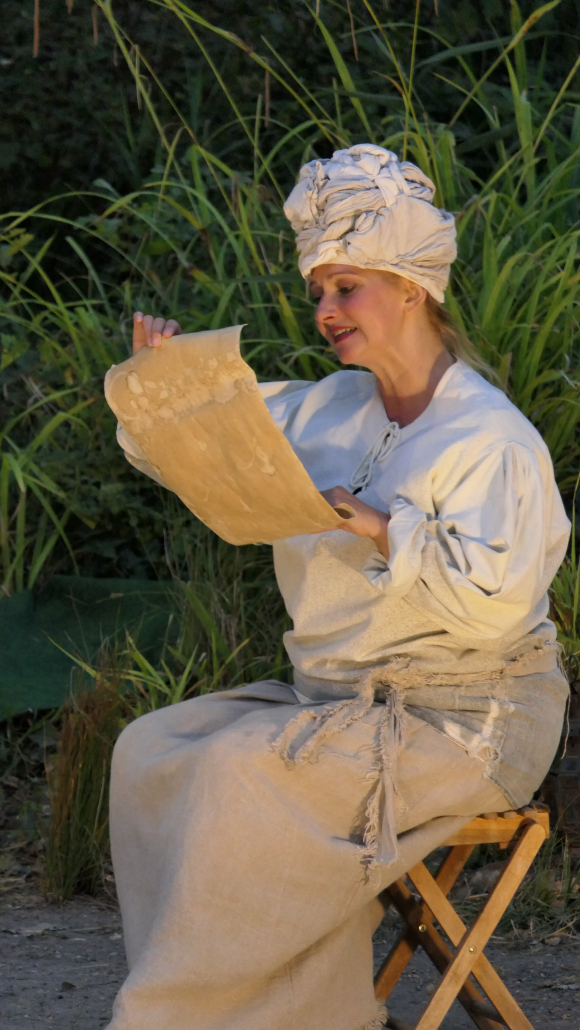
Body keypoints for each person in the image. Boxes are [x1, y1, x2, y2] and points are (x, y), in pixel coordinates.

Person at [106, 144, 570, 1030]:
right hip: (335, 700)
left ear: (410, 287)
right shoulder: (329, 410)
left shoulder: (489, 439)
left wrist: (383, 528)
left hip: (466, 717)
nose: (325, 308)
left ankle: (176, 1018)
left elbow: (499, 601)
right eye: (318, 289)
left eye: (346, 286)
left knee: (247, 774)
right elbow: (211, 440)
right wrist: (165, 388)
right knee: (152, 750)